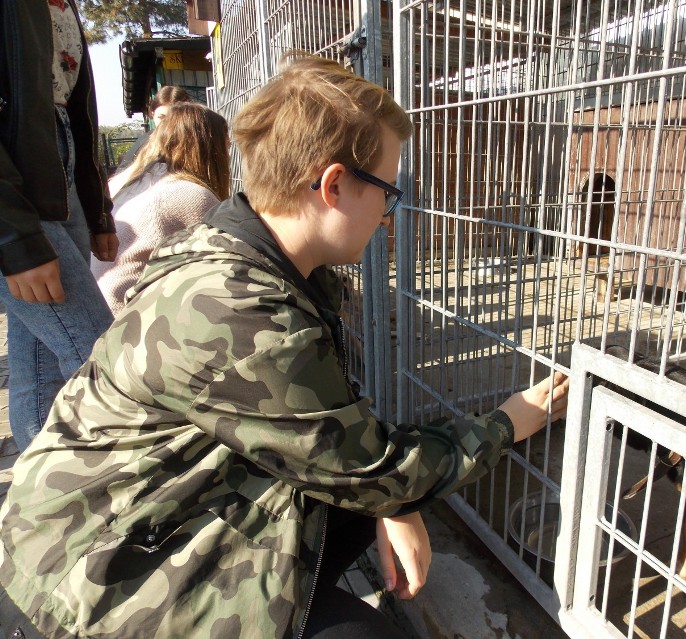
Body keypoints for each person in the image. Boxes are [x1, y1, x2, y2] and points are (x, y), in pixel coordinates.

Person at [0, 53, 570, 639]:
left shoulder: (255, 253)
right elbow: (374, 465)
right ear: (334, 185)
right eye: (387, 193)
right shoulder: (243, 313)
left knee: (363, 504)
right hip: (90, 577)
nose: (389, 219)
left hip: (157, 510)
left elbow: (337, 428)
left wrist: (386, 498)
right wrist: (507, 423)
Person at [0, 0, 117, 451]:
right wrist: (15, 237)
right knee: (102, 353)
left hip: (56, 171)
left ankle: (42, 500)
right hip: (15, 188)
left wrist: (96, 207)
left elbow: (79, 112)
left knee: (41, 356)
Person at [92, 103, 230, 314]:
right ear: (211, 148)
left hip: (102, 310)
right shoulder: (187, 193)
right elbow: (224, 268)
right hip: (126, 321)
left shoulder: (126, 181)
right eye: (226, 146)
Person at [115, 85, 193, 171]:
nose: (167, 123)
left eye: (174, 118)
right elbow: (122, 172)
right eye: (161, 117)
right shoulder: (145, 142)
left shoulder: (195, 141)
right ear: (152, 113)